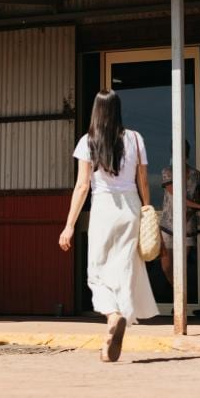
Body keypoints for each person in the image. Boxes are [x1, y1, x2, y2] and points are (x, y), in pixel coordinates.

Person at [59, 90, 158, 362]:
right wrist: (147, 209)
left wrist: (69, 225)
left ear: (96, 111)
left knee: (97, 271)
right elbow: (143, 179)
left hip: (103, 208)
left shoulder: (87, 141)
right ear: (118, 110)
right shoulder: (135, 138)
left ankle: (113, 315)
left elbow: (82, 186)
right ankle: (118, 321)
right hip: (131, 207)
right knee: (125, 267)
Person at [159, 140, 200, 288]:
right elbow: (177, 196)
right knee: (166, 266)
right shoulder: (167, 172)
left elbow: (196, 197)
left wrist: (195, 209)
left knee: (181, 267)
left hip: (187, 225)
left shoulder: (195, 174)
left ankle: (181, 299)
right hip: (168, 226)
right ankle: (177, 294)